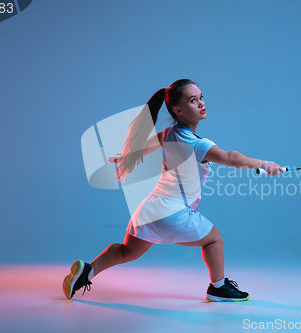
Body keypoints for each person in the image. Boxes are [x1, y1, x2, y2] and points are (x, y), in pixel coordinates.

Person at [63, 79, 283, 302]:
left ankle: (86, 271)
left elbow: (157, 139)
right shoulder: (198, 144)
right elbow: (232, 158)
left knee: (125, 251)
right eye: (193, 100)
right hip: (172, 213)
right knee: (214, 239)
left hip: (149, 209)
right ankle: (218, 287)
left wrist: (128, 156)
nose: (201, 103)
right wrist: (264, 164)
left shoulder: (170, 133)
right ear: (178, 110)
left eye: (201, 97)